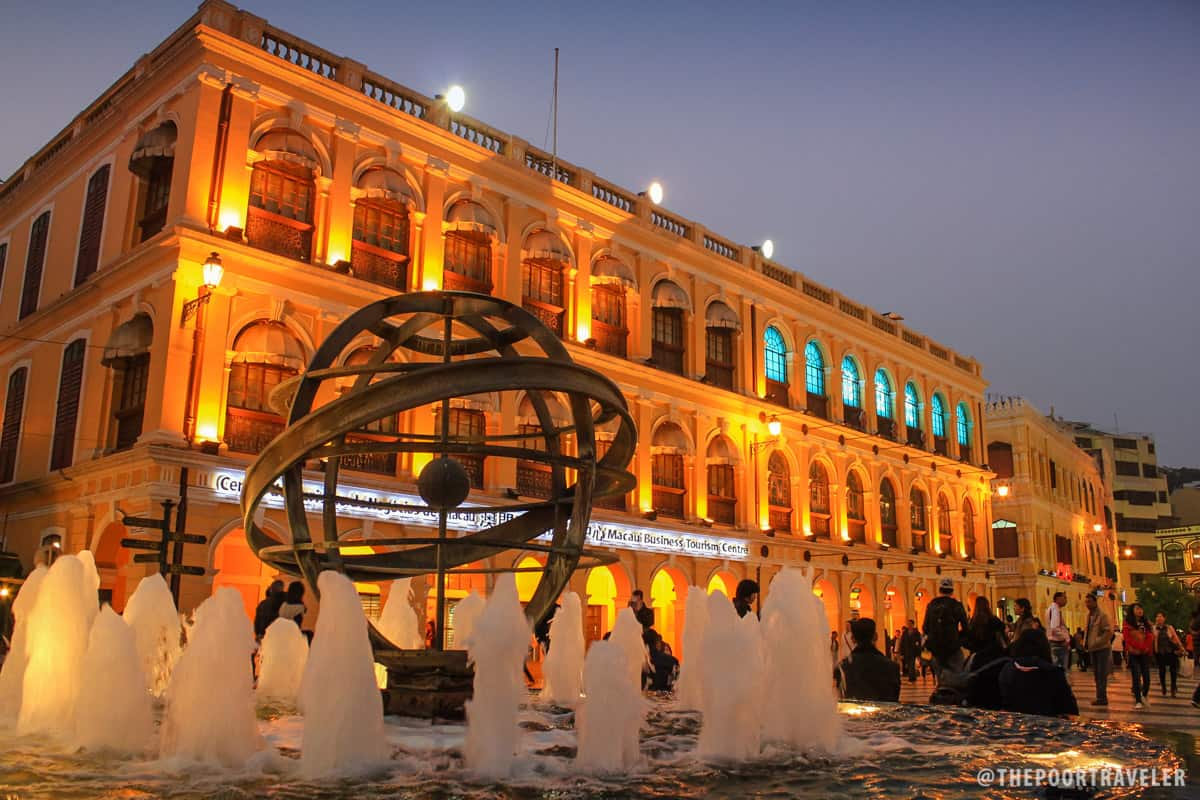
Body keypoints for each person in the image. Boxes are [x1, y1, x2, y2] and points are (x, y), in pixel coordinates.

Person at [998, 628, 1079, 717]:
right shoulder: (1053, 673)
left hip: (1013, 724)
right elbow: (1070, 708)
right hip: (1048, 725)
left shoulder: (1007, 669)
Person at [837, 618, 901, 702]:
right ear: (875, 636)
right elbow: (893, 699)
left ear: (853, 638)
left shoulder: (843, 667)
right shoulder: (891, 667)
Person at [921, 578, 969, 676]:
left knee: (940, 676)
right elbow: (965, 627)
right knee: (958, 675)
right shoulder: (956, 605)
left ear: (940, 590)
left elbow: (925, 627)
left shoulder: (932, 605)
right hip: (952, 647)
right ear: (952, 591)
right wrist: (959, 640)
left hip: (935, 648)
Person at [1084, 593, 1114, 706]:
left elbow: (1108, 632)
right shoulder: (1089, 615)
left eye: (1089, 601)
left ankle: (1102, 697)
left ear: (1095, 602)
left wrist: (1097, 642)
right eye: (1086, 602)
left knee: (1101, 673)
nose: (1087, 604)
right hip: (1093, 649)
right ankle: (1100, 696)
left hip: (1101, 648)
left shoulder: (1102, 615)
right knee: (1096, 674)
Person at [1123, 603, 1154, 709]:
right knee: (1136, 677)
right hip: (1134, 653)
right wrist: (1135, 648)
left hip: (1144, 653)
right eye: (1137, 609)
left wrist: (1146, 647)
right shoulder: (1128, 623)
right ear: (1132, 610)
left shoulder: (1146, 623)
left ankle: (1144, 695)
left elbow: (1150, 636)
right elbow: (1127, 638)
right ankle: (1138, 700)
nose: (1140, 610)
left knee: (1147, 677)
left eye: (1141, 608)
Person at [963, 596, 1008, 668]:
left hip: (978, 659)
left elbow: (969, 641)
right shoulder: (995, 620)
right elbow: (1003, 635)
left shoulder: (973, 623)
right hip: (994, 656)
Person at [1153, 611, 1184, 698]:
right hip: (1160, 652)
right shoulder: (1154, 628)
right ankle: (1163, 686)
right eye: (1157, 616)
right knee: (1161, 671)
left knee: (1173, 671)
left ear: (1164, 618)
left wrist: (1181, 647)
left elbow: (1175, 638)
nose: (1159, 618)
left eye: (1161, 616)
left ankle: (1173, 687)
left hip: (1171, 652)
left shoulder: (1169, 628)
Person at [1044, 592, 1070, 671]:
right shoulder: (1055, 609)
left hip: (1053, 642)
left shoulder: (1050, 609)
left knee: (1055, 669)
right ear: (1058, 599)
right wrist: (1065, 638)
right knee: (1061, 670)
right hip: (1058, 643)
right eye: (1064, 598)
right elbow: (1055, 627)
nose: (1066, 600)